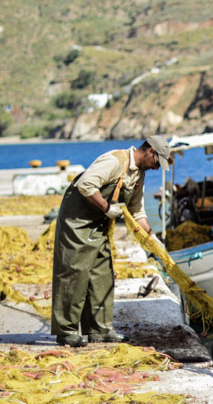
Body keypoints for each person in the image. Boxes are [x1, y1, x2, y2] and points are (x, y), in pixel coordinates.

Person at [51, 136, 172, 347]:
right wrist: (107, 208)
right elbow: (86, 185)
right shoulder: (115, 160)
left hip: (99, 225)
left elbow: (137, 211)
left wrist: (152, 237)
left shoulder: (138, 175)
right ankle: (66, 331)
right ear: (150, 151)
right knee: (75, 273)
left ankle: (99, 330)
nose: (155, 168)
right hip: (77, 222)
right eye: (156, 162)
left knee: (102, 276)